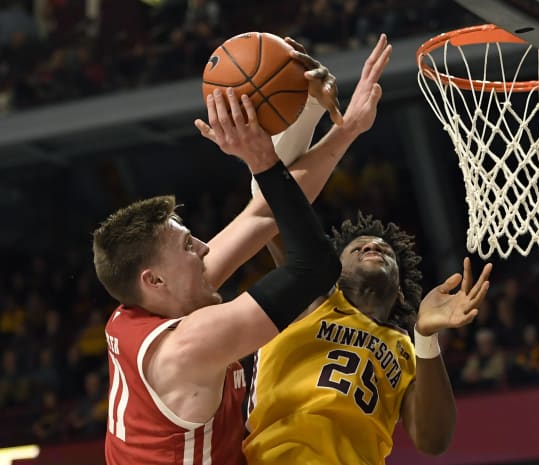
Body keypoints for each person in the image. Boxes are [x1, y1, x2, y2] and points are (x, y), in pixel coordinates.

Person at [98, 35, 392, 465]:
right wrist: (261, 162)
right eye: (186, 245)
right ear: (154, 279)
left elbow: (264, 214)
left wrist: (333, 122)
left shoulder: (150, 303)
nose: (203, 247)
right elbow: (314, 267)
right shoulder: (187, 348)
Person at [243, 211, 492, 464]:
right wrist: (266, 175)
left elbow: (433, 440)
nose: (372, 245)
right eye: (358, 248)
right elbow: (275, 217)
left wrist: (426, 336)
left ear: (400, 293)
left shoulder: (405, 349)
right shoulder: (314, 300)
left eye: (385, 250)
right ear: (337, 274)